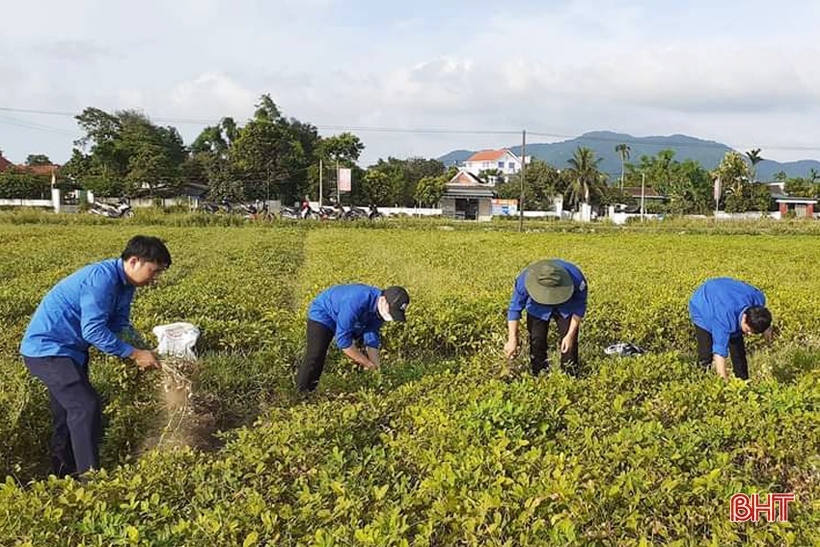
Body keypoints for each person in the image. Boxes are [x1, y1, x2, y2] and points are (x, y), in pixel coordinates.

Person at [20, 236, 171, 477]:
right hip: (48, 351)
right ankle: (91, 479)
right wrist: (133, 353)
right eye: (153, 271)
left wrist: (145, 349)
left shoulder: (126, 285)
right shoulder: (102, 280)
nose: (155, 279)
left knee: (68, 413)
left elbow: (120, 324)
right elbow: (93, 330)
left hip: (70, 353)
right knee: (85, 406)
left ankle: (62, 475)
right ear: (134, 261)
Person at [297, 285, 410, 392]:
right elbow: (343, 340)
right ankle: (304, 393)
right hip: (324, 313)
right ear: (383, 300)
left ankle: (362, 385)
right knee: (316, 354)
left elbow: (371, 336)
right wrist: (368, 364)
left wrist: (376, 369)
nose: (390, 316)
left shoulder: (381, 310)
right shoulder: (357, 300)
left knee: (360, 349)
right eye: (391, 312)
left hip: (351, 317)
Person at [504, 259, 588, 376]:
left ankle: (570, 377)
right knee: (537, 340)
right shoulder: (524, 280)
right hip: (537, 306)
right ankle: (539, 375)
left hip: (566, 305)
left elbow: (579, 307)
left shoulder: (576, 279)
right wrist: (512, 338)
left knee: (570, 345)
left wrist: (569, 336)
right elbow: (514, 308)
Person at [689, 277, 773, 381]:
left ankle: (743, 381)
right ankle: (699, 380)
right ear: (745, 317)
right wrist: (725, 383)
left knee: (738, 349)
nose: (749, 334)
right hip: (702, 304)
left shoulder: (758, 299)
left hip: (725, 291)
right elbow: (719, 353)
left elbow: (763, 315)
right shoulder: (724, 319)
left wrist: (766, 329)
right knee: (706, 353)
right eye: (748, 330)